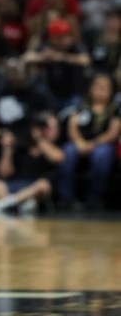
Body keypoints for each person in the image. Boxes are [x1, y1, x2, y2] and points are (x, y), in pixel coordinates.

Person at [0, 110, 64, 214]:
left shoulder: (56, 146)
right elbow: (4, 174)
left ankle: (6, 203)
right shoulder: (21, 144)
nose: (55, 131)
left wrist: (39, 138)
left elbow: (58, 158)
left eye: (56, 127)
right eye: (49, 127)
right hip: (14, 186)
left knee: (43, 185)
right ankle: (20, 202)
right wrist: (7, 150)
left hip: (35, 188)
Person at [56, 72, 121, 212]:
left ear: (111, 91)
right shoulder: (80, 105)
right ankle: (65, 198)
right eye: (97, 86)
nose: (100, 90)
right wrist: (80, 142)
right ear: (90, 88)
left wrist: (93, 144)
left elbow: (113, 132)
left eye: (105, 88)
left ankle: (94, 198)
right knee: (68, 151)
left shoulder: (114, 109)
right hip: (80, 142)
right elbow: (72, 127)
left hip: (101, 144)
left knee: (102, 156)